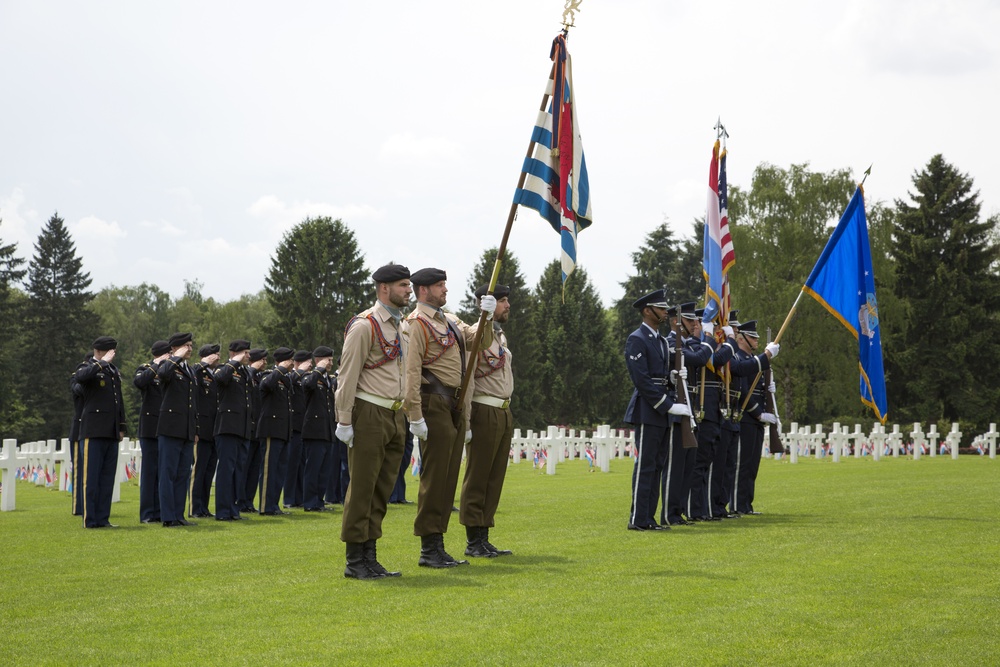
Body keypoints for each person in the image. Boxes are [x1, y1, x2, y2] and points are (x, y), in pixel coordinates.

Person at [402, 267, 496, 568]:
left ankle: (438, 544)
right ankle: (429, 547)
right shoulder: (417, 323)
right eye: (439, 285)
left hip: (453, 404)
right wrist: (414, 413)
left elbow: (478, 341)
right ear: (423, 290)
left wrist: (487, 317)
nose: (445, 289)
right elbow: (412, 370)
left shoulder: (450, 320)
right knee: (435, 477)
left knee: (448, 476)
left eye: (445, 284)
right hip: (433, 401)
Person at [335, 263, 411, 579]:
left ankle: (370, 555)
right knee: (363, 488)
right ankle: (355, 560)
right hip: (369, 413)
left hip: (395, 414)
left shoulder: (400, 326)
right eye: (403, 285)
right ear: (384, 288)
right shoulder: (365, 326)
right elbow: (347, 374)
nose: (409, 290)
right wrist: (344, 419)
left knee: (382, 489)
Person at [622, 290, 693, 531]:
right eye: (661, 308)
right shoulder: (637, 339)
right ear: (646, 311)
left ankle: (649, 518)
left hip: (662, 410)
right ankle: (638, 519)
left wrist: (673, 378)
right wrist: (668, 404)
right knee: (646, 466)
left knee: (658, 465)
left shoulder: (662, 341)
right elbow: (641, 380)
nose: (665, 312)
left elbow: (661, 376)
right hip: (648, 409)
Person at [459, 283, 519, 555]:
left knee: (494, 478)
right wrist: (467, 421)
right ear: (488, 305)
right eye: (502, 301)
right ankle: (473, 541)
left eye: (506, 301)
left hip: (503, 411)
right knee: (478, 477)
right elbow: (469, 378)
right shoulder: (477, 336)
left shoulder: (500, 336)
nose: (507, 306)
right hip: (484, 410)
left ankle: (483, 535)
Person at [660, 302, 713, 527]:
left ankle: (679, 511)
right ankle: (669, 513)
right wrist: (709, 341)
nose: (695, 324)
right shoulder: (670, 344)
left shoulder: (688, 344)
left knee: (688, 464)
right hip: (678, 406)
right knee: (675, 464)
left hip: (690, 406)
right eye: (690, 321)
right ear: (676, 321)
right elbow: (699, 359)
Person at [686, 309, 737, 522]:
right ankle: (694, 509)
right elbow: (715, 360)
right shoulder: (695, 345)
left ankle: (703, 509)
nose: (718, 332)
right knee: (699, 464)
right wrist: (732, 341)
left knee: (707, 462)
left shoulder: (705, 345)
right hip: (703, 409)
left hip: (713, 409)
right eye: (714, 327)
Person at [73, 336, 126, 528]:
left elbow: (118, 400)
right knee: (91, 479)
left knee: (106, 479)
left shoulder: (112, 371)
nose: (113, 354)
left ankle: (103, 518)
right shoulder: (87, 367)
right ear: (99, 351)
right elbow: (81, 378)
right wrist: (101, 363)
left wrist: (121, 427)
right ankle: (90, 518)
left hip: (110, 431)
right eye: (110, 351)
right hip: (93, 431)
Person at [732, 320, 779, 515]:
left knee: (752, 465)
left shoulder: (755, 361)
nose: (756, 341)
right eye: (752, 337)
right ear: (741, 338)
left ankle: (746, 504)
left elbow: (759, 390)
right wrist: (758, 412)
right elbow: (743, 391)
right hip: (746, 417)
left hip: (757, 420)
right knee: (742, 464)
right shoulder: (740, 359)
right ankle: (736, 504)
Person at [157, 332, 199, 527]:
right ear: (174, 348)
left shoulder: (188, 370)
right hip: (171, 427)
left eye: (191, 345)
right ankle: (168, 516)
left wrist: (195, 429)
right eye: (186, 346)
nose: (190, 349)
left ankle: (179, 515)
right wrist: (175, 357)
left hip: (186, 429)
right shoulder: (169, 365)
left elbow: (192, 402)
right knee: (168, 473)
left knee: (183, 473)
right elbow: (162, 374)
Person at [213, 339, 253, 521]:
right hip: (228, 427)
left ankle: (233, 509)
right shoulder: (226, 368)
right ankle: (222, 511)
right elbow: (219, 379)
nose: (248, 355)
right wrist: (233, 362)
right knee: (226, 470)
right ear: (234, 353)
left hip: (242, 428)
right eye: (245, 352)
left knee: (238, 471)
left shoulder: (245, 372)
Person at [134, 340, 170, 523]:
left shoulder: (170, 370)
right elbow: (140, 382)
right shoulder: (146, 368)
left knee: (162, 472)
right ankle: (148, 513)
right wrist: (156, 365)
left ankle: (160, 511)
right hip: (150, 427)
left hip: (166, 426)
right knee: (149, 472)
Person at [258, 347, 294, 515]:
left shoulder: (285, 379)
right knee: (269, 470)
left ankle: (274, 505)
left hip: (283, 431)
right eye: (290, 360)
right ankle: (265, 506)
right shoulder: (269, 375)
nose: (293, 363)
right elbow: (266, 385)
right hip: (271, 430)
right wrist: (280, 369)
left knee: (279, 471)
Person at [301, 346, 336, 512]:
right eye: (328, 359)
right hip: (314, 430)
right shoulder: (311, 376)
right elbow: (307, 385)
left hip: (326, 430)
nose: (331, 363)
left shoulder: (328, 379)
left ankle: (319, 501)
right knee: (313, 469)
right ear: (318, 360)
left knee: (324, 470)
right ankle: (309, 502)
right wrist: (318, 369)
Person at [189, 343, 220, 518]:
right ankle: (194, 507)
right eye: (215, 355)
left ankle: (204, 507)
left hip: (213, 430)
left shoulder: (213, 375)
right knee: (198, 471)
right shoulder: (197, 372)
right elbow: (193, 371)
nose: (218, 358)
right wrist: (204, 363)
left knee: (208, 472)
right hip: (201, 430)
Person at [237, 347, 267, 513]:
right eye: (262, 359)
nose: (265, 363)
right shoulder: (248, 375)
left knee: (254, 469)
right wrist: (251, 368)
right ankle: (240, 500)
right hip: (247, 428)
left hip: (257, 428)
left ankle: (248, 500)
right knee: (244, 466)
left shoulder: (259, 377)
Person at [282, 350, 312, 509]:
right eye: (308, 362)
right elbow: (291, 382)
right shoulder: (292, 376)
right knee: (291, 465)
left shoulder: (306, 377)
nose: (311, 365)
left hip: (303, 427)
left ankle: (298, 498)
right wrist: (299, 370)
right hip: (293, 426)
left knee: (301, 465)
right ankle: (288, 498)